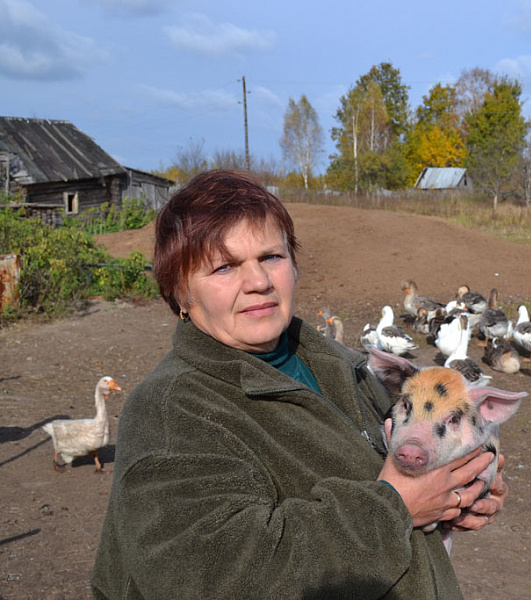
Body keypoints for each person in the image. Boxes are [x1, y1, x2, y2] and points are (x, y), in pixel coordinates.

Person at [91, 170, 509, 599]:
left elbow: (404, 475)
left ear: (294, 263)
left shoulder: (345, 367)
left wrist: (455, 496)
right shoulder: (172, 410)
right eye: (224, 267)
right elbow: (218, 577)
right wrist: (394, 507)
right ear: (181, 294)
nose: (258, 282)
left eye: (271, 256)